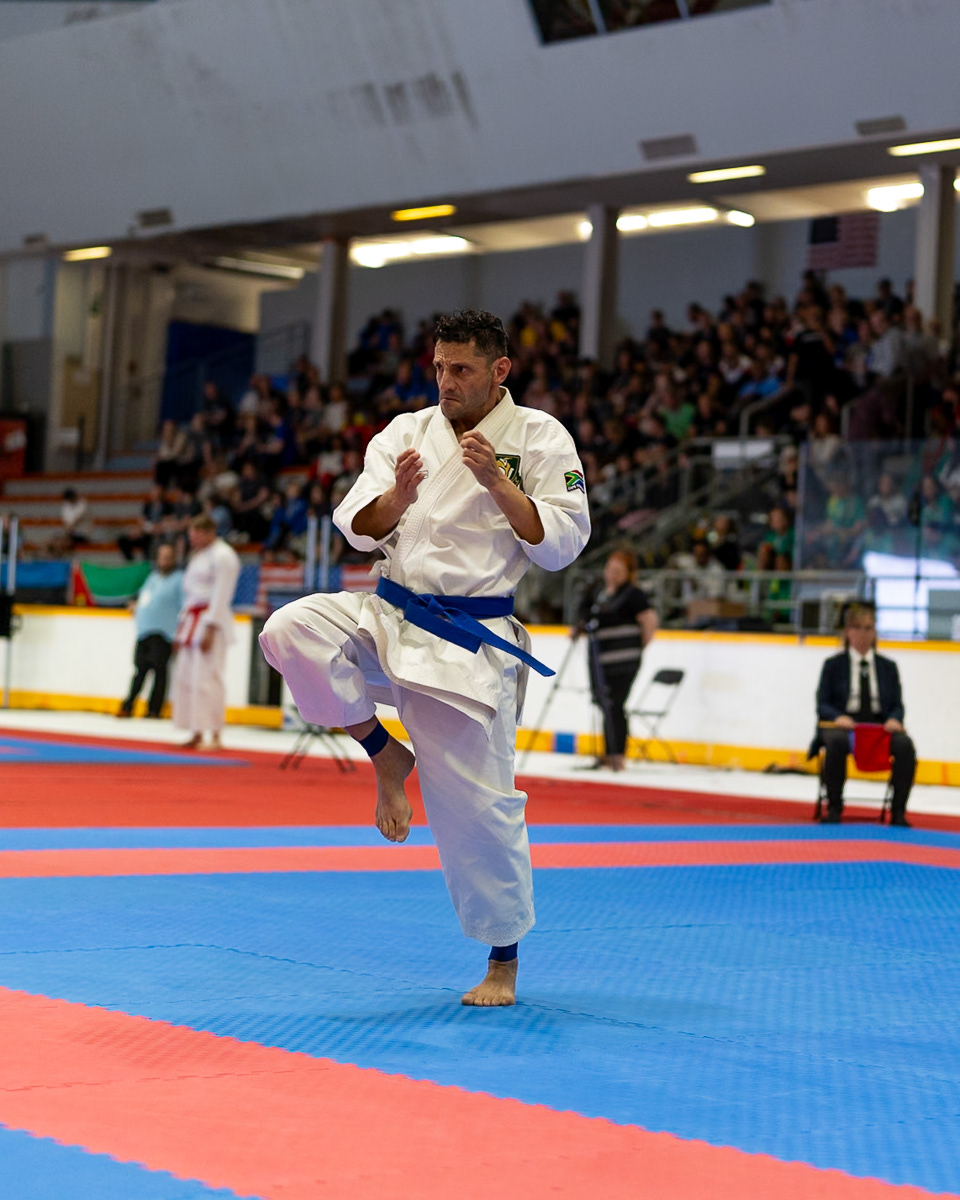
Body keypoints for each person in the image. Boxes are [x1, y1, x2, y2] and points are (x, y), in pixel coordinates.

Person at [260, 309, 590, 1007]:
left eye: (461, 369)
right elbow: (357, 527)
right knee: (291, 630)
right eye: (439, 367)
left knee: (478, 812)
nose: (446, 381)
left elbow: (561, 545)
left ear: (500, 370)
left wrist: (499, 484)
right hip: (387, 614)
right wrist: (397, 498)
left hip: (465, 643)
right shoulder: (406, 432)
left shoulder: (539, 437)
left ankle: (503, 959)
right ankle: (384, 753)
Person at [812, 602, 916, 826]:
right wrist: (837, 717)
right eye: (857, 628)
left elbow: (898, 705)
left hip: (878, 728)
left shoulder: (888, 667)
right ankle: (834, 807)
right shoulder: (833, 665)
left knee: (905, 745)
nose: (863, 634)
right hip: (843, 726)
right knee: (836, 743)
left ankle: (898, 811)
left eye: (868, 628)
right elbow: (822, 704)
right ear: (847, 631)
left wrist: (894, 719)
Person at [579, 549, 657, 772]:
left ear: (628, 573)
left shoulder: (633, 594)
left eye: (618, 571)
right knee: (605, 703)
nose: (612, 574)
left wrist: (638, 646)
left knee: (615, 704)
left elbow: (649, 621)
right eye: (610, 569)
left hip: (624, 660)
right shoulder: (601, 595)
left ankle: (617, 755)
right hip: (601, 660)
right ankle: (609, 752)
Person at [172, 514, 241, 750]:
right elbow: (190, 595)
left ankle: (216, 734)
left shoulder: (224, 556)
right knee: (188, 678)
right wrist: (181, 627)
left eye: (195, 535)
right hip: (192, 619)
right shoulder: (198, 556)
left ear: (207, 532)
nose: (191, 540)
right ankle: (196, 731)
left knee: (208, 679)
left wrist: (211, 627)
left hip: (212, 621)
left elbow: (222, 593)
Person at [117, 543, 184, 719]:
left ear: (174, 559)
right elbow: (144, 598)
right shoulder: (152, 578)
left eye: (168, 557)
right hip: (144, 631)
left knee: (159, 671)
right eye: (162, 557)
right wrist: (136, 606)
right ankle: (128, 705)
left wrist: (179, 634)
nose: (164, 560)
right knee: (140, 669)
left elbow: (184, 608)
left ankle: (154, 709)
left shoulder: (179, 580)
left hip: (164, 632)